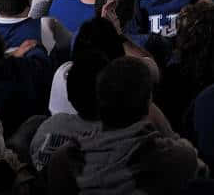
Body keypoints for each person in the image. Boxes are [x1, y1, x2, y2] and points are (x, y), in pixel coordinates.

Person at [48, 55, 202, 195]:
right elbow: (199, 168)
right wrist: (163, 125)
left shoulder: (64, 161)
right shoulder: (171, 158)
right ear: (149, 102)